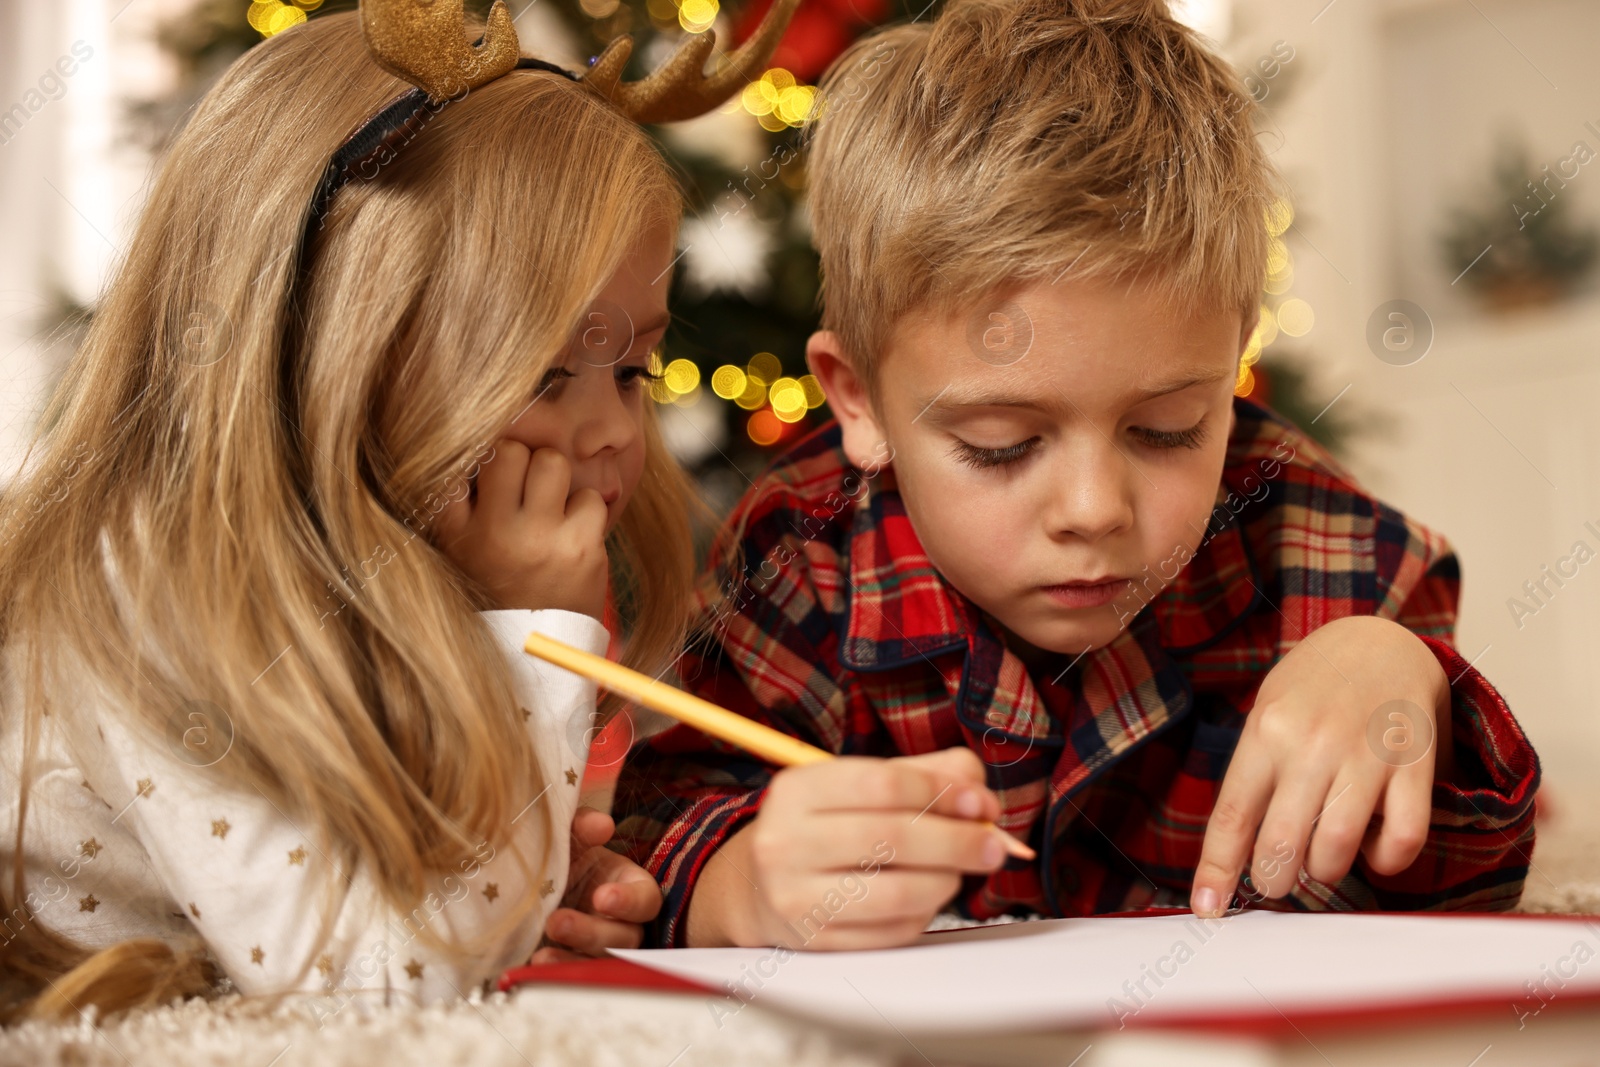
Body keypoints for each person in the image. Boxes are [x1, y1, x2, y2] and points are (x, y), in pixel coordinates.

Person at [613, 0, 1540, 950]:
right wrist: (739, 884)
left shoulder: (1327, 550)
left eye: (1167, 429)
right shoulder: (798, 554)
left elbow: (1469, 887)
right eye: (1003, 445)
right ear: (858, 403)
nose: (1095, 511)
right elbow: (655, 822)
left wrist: (1403, 679)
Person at [0, 0, 796, 1019]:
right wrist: (529, 635)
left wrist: (537, 875)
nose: (608, 430)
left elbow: (402, 877)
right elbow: (370, 985)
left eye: (633, 367)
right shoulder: (151, 589)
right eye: (546, 374)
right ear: (333, 349)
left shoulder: (420, 538)